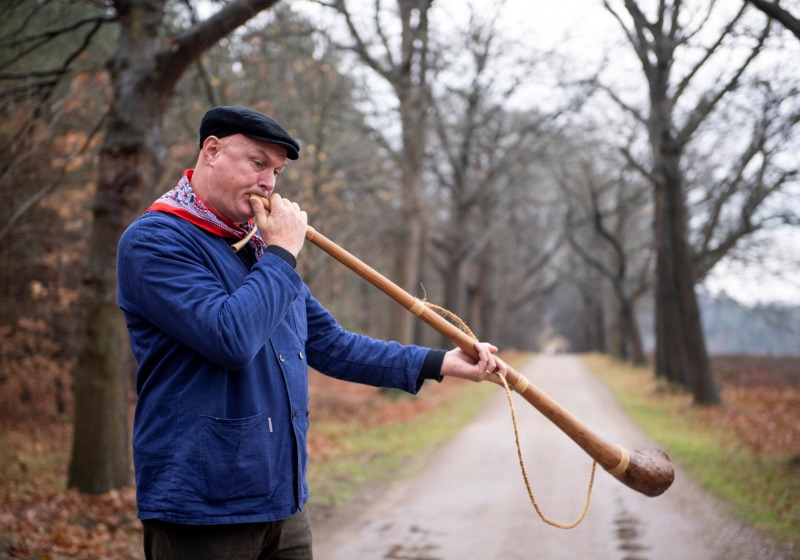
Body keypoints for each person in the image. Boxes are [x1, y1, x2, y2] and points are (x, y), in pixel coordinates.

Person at [117, 106, 507, 560]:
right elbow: (231, 338)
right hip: (202, 506)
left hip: (283, 501)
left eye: (276, 172)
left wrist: (441, 362)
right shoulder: (156, 241)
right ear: (211, 150)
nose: (269, 182)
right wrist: (283, 251)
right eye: (257, 163)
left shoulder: (255, 247)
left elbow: (331, 344)